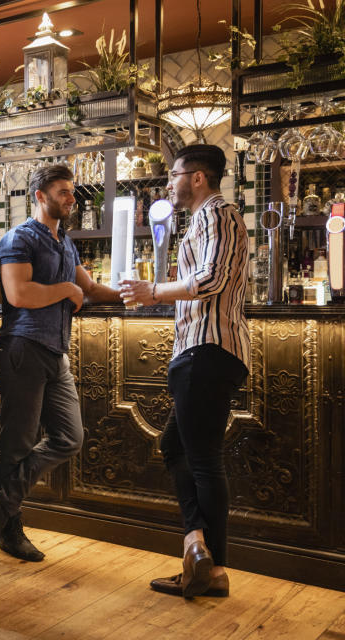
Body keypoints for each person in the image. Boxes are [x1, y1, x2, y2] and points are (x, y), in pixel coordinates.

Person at [120, 145, 249, 599]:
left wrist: (153, 290)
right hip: (203, 350)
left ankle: (211, 568)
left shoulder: (218, 214)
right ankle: (199, 551)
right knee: (176, 446)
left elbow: (210, 279)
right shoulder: (204, 220)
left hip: (208, 349)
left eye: (173, 175)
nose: (168, 184)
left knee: (203, 460)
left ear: (197, 178)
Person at [0, 164, 121, 561]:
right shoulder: (17, 239)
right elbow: (18, 294)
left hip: (55, 351)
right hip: (22, 348)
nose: (71, 198)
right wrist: (66, 288)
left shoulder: (65, 242)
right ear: (40, 196)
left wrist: (137, 295)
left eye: (71, 191)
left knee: (70, 436)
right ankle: (11, 531)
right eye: (62, 192)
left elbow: (89, 289)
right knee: (18, 442)